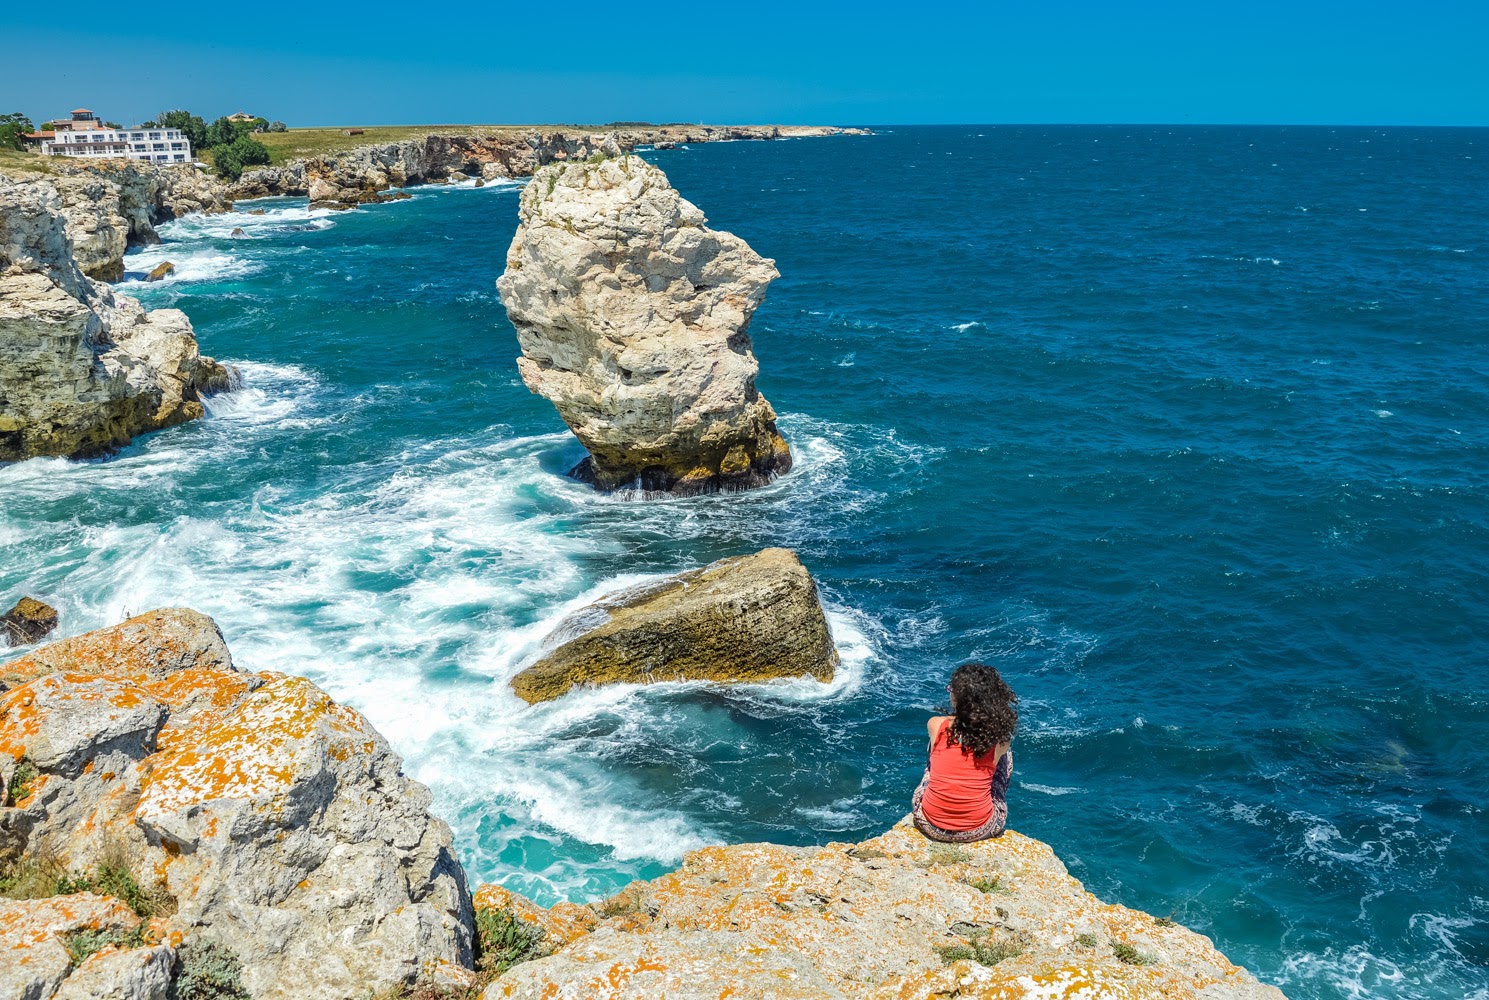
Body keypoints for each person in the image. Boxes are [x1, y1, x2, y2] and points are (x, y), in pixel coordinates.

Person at [911, 662, 1017, 842]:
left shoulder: (936, 724)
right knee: (1004, 756)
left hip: (929, 823)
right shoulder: (1000, 740)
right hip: (979, 828)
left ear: (955, 698)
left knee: (934, 753)